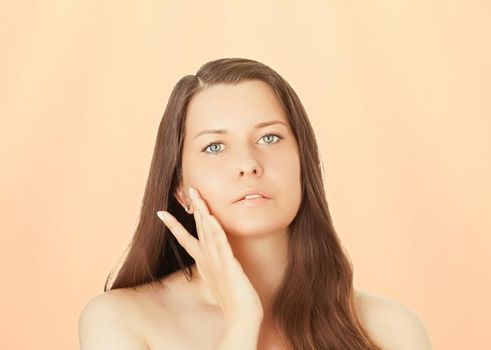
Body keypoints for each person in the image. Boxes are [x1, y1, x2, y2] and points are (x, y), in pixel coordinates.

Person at [79, 58, 431, 350]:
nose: (248, 163)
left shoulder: (389, 329)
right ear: (181, 190)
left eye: (269, 137)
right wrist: (242, 321)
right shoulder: (120, 320)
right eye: (215, 146)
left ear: (303, 165)